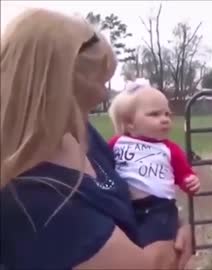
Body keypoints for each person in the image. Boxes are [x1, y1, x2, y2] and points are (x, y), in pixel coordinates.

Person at [0, 8, 193, 269]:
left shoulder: (78, 133)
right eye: (102, 80)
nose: (105, 95)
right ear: (63, 82)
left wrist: (172, 222)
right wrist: (167, 239)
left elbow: (132, 186)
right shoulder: (34, 199)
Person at [107, 83, 200, 248]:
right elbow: (103, 169)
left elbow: (184, 174)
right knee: (127, 246)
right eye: (154, 114)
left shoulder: (169, 149)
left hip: (159, 207)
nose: (165, 119)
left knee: (154, 246)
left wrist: (190, 181)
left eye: (167, 114)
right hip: (125, 206)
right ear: (130, 123)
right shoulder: (117, 144)